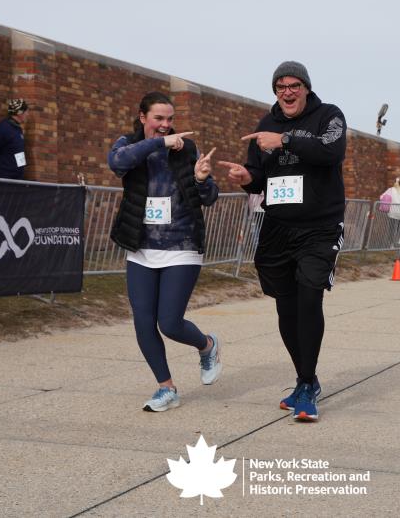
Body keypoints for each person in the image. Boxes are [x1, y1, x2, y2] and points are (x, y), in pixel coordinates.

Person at [218, 61, 346, 422]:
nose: (287, 92)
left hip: (319, 226)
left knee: (309, 297)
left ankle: (306, 384)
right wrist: (246, 178)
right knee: (286, 308)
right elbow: (260, 177)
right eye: (280, 87)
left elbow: (331, 152)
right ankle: (306, 378)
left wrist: (286, 139)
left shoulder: (329, 115)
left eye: (294, 85)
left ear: (306, 88)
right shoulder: (266, 123)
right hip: (277, 227)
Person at [108, 92, 222, 412]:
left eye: (170, 119)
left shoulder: (186, 149)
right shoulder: (129, 144)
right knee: (144, 322)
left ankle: (207, 345)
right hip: (141, 247)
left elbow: (209, 196)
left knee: (169, 322)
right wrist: (159, 143)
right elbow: (117, 163)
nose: (165, 125)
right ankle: (166, 388)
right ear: (143, 117)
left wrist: (202, 180)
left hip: (181, 245)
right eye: (159, 118)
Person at [0, 98, 30, 179]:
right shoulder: (3, 128)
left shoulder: (17, 129)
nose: (27, 114)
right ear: (20, 113)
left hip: (16, 180)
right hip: (3, 179)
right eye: (26, 112)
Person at [381, 177, 400, 246]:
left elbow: (382, 197)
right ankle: (399, 241)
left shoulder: (390, 190)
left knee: (391, 228)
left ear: (394, 182)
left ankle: (391, 244)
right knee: (399, 227)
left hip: (392, 212)